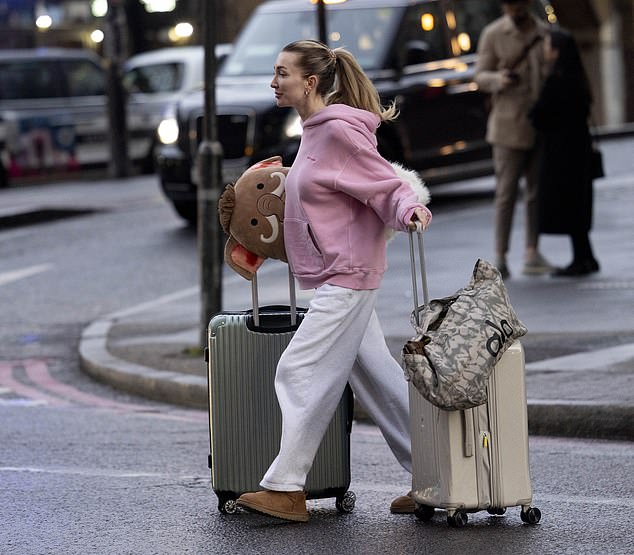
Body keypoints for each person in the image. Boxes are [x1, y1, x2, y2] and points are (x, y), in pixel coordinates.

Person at [235, 39, 432, 523]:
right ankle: (436, 476)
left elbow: (383, 182)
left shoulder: (340, 133)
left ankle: (286, 487)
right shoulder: (315, 133)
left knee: (300, 370)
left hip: (348, 275)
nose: (274, 81)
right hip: (335, 275)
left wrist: (409, 207)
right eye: (274, 72)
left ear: (311, 82)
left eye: (282, 73)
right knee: (380, 380)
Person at [474, 0, 552, 279]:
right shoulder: (494, 34)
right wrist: (499, 79)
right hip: (507, 126)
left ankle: (532, 251)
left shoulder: (544, 32)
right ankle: (501, 255)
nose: (515, 9)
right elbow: (480, 75)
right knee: (506, 194)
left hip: (538, 123)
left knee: (535, 192)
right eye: (509, 4)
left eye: (518, 3)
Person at [529, 29, 599, 276]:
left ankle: (582, 259)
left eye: (548, 45)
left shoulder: (557, 80)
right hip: (579, 150)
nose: (545, 49)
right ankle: (585, 255)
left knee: (569, 205)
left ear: (556, 50)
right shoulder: (578, 78)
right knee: (578, 205)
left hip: (561, 153)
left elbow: (540, 115)